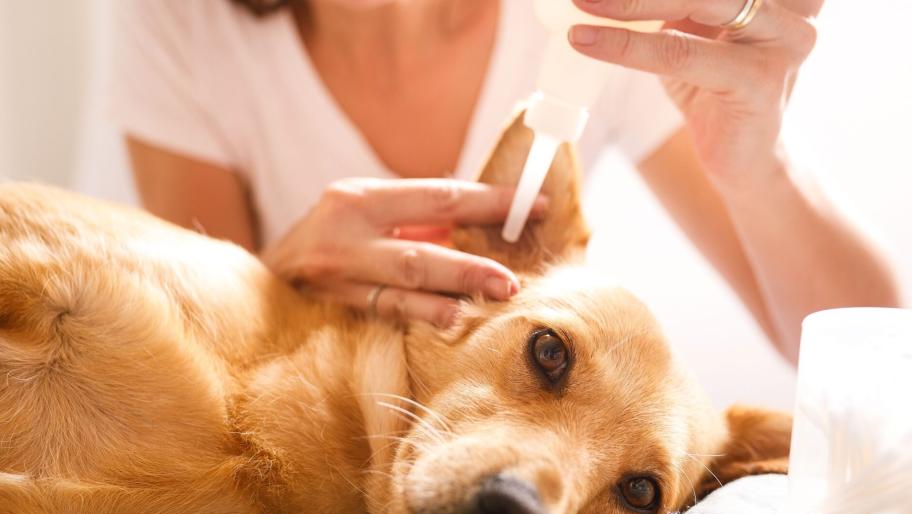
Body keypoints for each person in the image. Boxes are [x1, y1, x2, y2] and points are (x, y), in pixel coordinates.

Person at [111, 0, 900, 362]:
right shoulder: (179, 21)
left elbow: (879, 356)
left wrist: (757, 168)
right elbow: (194, 362)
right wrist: (279, 281)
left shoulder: (602, 16)